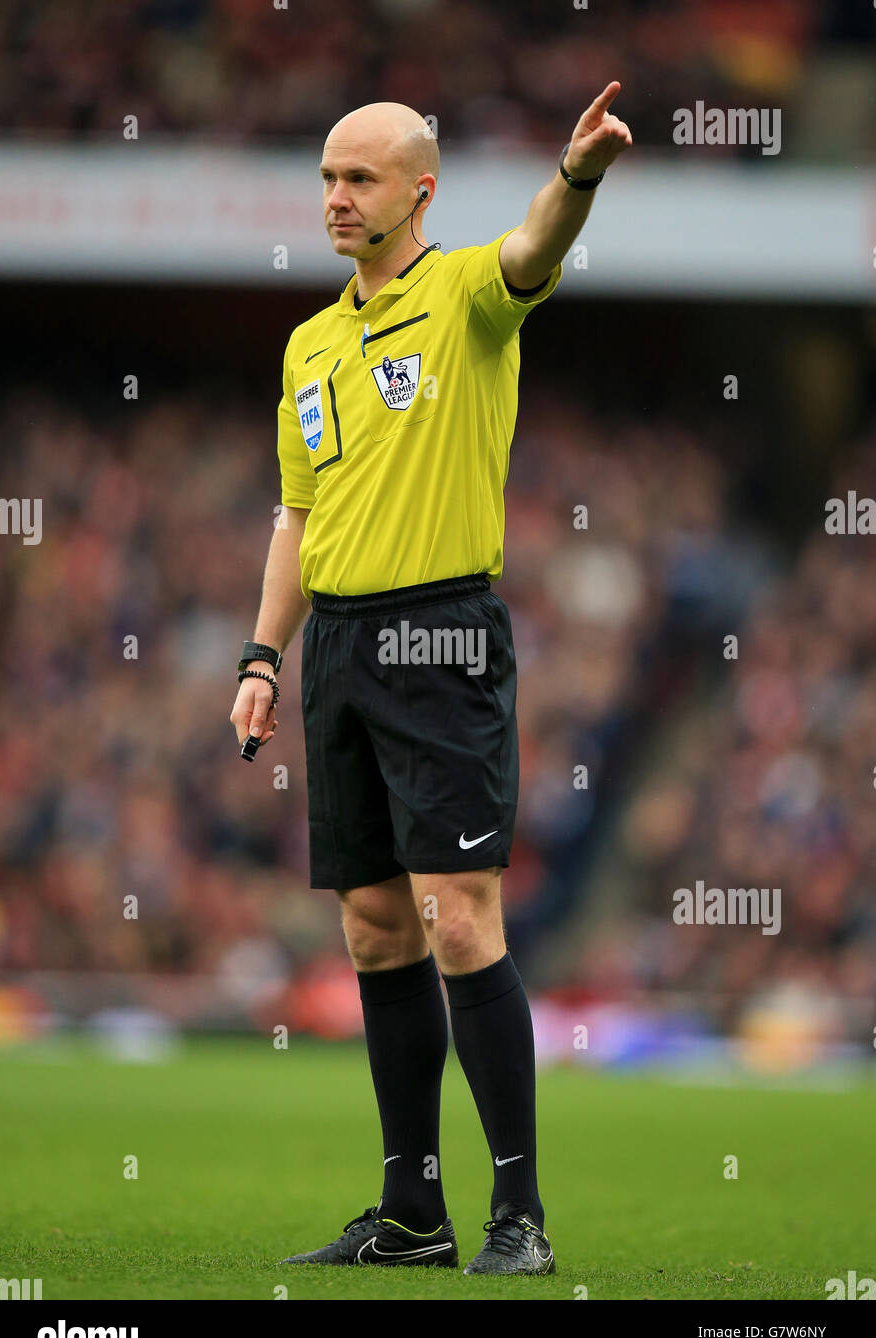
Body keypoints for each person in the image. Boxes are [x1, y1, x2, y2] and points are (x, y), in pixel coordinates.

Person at [230, 87, 631, 1275]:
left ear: (420, 190)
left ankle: (519, 1214)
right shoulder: (309, 342)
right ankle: (412, 1211)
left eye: (359, 177)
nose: (336, 197)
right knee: (370, 924)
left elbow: (530, 247)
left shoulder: (465, 295)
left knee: (458, 912)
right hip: (339, 648)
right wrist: (263, 653)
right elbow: (297, 516)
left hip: (441, 634)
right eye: (325, 176)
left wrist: (578, 175)